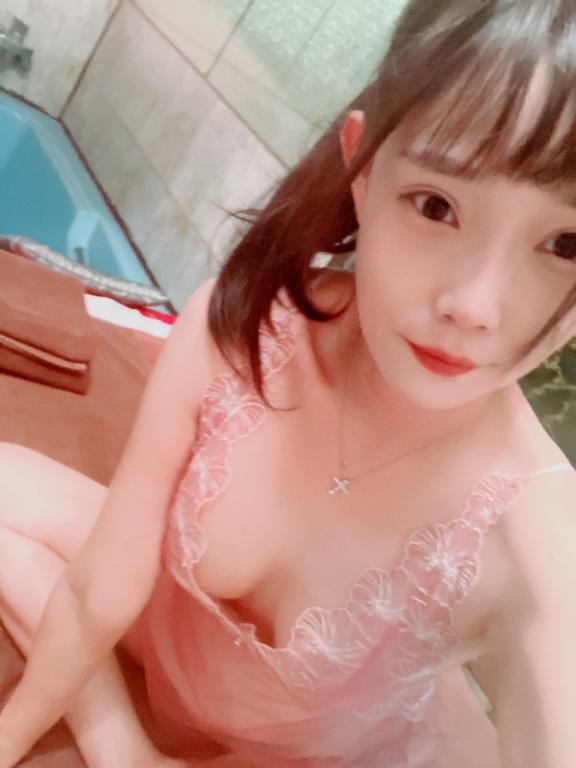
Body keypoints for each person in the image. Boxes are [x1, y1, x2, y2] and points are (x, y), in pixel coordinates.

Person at [0, 1, 575, 766]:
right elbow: (99, 587)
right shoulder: (250, 325)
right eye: (437, 205)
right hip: (167, 646)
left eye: (566, 243)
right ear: (362, 171)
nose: (474, 306)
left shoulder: (539, 537)